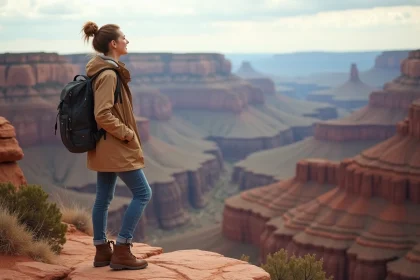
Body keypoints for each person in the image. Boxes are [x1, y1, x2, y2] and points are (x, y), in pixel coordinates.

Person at [81, 21, 152, 270]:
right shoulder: (109, 74)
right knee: (143, 193)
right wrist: (128, 134)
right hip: (115, 144)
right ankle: (122, 248)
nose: (127, 41)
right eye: (124, 37)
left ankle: (102, 251)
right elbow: (103, 114)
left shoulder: (103, 70)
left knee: (104, 197)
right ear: (113, 44)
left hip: (104, 145)